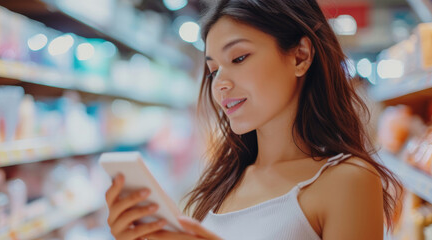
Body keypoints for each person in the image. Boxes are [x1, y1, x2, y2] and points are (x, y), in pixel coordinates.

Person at [105, 0, 401, 239]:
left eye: (239, 58)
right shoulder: (223, 179)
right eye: (213, 70)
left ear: (300, 56)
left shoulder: (348, 180)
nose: (219, 83)